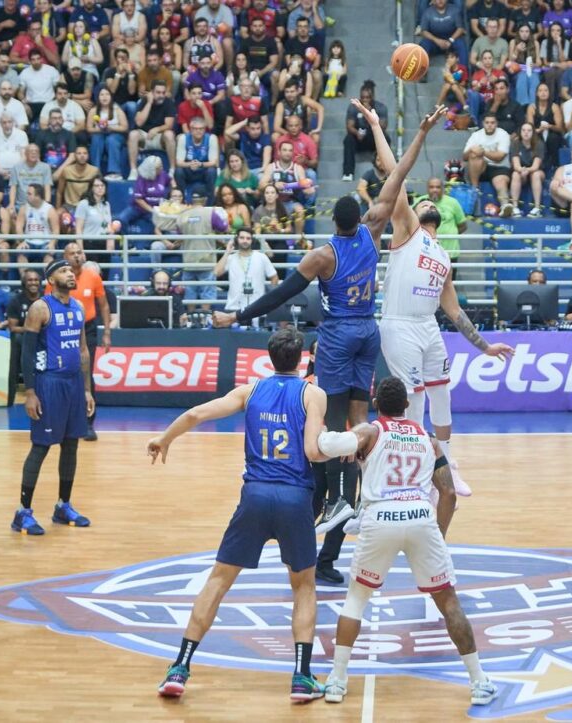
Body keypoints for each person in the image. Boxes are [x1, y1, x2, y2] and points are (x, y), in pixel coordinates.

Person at [213, 104, 446, 584]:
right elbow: (398, 175)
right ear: (358, 218)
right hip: (369, 332)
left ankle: (338, 499)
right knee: (359, 426)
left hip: (339, 335)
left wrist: (239, 314)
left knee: (329, 429)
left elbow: (282, 293)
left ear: (331, 224)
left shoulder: (323, 255)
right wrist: (419, 131)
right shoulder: (373, 230)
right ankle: (346, 504)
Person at [149, 328, 334, 701]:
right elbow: (314, 453)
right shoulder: (313, 394)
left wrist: (165, 438)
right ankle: (302, 677)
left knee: (218, 580)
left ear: (269, 357)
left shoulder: (250, 391)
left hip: (255, 496)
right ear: (301, 359)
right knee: (303, 586)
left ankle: (180, 667)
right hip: (296, 497)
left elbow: (198, 412)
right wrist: (338, 447)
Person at [353, 99, 514, 500]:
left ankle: (447, 462)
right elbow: (396, 172)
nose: (423, 201)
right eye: (420, 200)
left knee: (442, 394)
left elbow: (454, 310)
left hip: (427, 326)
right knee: (412, 402)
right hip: (399, 325)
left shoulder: (442, 256)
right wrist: (380, 125)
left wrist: (484, 345)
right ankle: (416, 471)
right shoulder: (407, 230)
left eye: (426, 202)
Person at [321, 376, 499, 708]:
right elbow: (447, 492)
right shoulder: (428, 440)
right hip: (420, 516)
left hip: (380, 517)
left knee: (357, 598)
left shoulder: (371, 432)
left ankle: (336, 681)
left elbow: (330, 447)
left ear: (376, 404)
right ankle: (479, 681)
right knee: (448, 603)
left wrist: (318, 426)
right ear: (407, 405)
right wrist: (439, 537)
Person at [12, 259, 95, 536]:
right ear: (51, 279)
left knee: (71, 445)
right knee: (41, 446)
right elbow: (26, 352)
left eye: (72, 271)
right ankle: (22, 513)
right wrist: (31, 393)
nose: (70, 274)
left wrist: (86, 389)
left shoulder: (79, 307)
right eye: (63, 271)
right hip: (49, 383)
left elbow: (83, 350)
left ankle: (63, 505)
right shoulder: (40, 308)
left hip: (73, 384)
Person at [44, 242, 111, 441]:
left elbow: (104, 306)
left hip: (87, 328)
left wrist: (107, 332)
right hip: (60, 327)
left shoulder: (93, 276)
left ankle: (89, 423)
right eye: (72, 253)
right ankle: (61, 421)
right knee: (61, 372)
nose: (77, 256)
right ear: (64, 256)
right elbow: (48, 306)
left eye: (79, 252)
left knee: (86, 372)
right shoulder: (55, 279)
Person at [215, 226, 278, 320]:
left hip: (257, 308)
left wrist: (269, 299)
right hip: (234, 307)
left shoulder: (261, 257)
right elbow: (216, 272)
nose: (245, 241)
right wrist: (227, 252)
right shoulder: (231, 258)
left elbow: (274, 277)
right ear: (236, 240)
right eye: (242, 238)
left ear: (252, 240)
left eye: (248, 238)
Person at [463, 113, 512, 215]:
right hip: (481, 168)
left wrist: (483, 152)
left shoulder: (503, 134)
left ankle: (505, 206)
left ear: (496, 124)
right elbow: (464, 157)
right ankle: (475, 190)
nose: (490, 125)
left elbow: (500, 157)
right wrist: (472, 149)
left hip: (500, 167)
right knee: (473, 155)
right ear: (483, 123)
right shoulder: (476, 135)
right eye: (487, 123)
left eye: (492, 123)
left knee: (500, 182)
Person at [127, 80, 177, 180]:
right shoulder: (144, 101)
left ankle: (172, 170)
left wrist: (156, 129)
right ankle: (133, 170)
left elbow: (169, 125)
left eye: (163, 92)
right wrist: (149, 103)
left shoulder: (168, 102)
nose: (161, 95)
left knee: (170, 134)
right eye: (158, 92)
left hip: (159, 137)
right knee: (132, 135)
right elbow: (139, 122)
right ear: (152, 92)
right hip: (144, 136)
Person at [6, 268, 42, 406]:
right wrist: (32, 330)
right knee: (17, 339)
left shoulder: (46, 298)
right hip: (24, 337)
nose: (33, 283)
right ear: (24, 283)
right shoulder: (16, 301)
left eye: (36, 280)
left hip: (43, 338)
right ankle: (10, 396)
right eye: (30, 280)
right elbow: (13, 327)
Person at [342, 80, 388, 182]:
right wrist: (356, 132)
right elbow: (349, 126)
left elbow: (383, 126)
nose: (365, 100)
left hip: (373, 137)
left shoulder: (380, 107)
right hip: (359, 137)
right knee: (348, 139)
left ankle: (386, 169)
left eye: (367, 98)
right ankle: (348, 173)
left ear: (372, 98)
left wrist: (368, 114)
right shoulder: (353, 107)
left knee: (386, 137)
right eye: (363, 98)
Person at [175, 117, 220, 204]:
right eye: (195, 129)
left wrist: (200, 164)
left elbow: (213, 162)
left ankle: (210, 202)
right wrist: (190, 164)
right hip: (189, 169)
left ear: (205, 129)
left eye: (201, 129)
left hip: (203, 169)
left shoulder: (211, 138)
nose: (198, 131)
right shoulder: (183, 138)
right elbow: (179, 162)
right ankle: (183, 200)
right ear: (191, 129)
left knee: (212, 171)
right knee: (178, 171)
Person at [15, 183, 59, 268]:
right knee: (21, 256)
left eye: (29, 194)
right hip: (28, 242)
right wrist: (22, 241)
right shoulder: (23, 208)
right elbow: (19, 226)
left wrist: (52, 243)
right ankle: (26, 279)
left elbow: (56, 230)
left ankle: (48, 281)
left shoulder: (50, 209)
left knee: (49, 258)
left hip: (45, 242)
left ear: (37, 196)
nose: (27, 196)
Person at [419, 0, 469, 70]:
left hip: (451, 39)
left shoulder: (455, 10)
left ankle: (463, 73)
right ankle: (421, 72)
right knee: (424, 44)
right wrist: (436, 40)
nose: (440, 1)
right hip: (434, 41)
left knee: (461, 44)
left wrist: (450, 40)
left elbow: (460, 29)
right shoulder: (427, 12)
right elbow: (424, 31)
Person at [509, 121, 546, 217]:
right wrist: (521, 170)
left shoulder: (539, 144)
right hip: (521, 171)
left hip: (535, 171)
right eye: (523, 130)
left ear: (533, 132)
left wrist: (527, 170)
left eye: (529, 130)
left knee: (536, 174)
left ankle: (537, 208)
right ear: (520, 132)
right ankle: (515, 207)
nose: (526, 132)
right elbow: (516, 164)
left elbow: (536, 166)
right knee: (515, 174)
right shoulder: (515, 143)